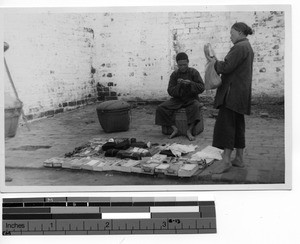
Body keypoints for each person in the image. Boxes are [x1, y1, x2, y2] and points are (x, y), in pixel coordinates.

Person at [208, 22, 254, 174]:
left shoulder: (239, 47)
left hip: (231, 94)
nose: (230, 36)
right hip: (240, 94)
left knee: (226, 126)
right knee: (237, 125)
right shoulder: (246, 47)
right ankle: (239, 158)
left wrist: (213, 61)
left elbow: (226, 67)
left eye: (232, 33)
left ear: (240, 33)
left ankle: (226, 160)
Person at [155, 52, 205, 141]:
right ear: (177, 64)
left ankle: (189, 131)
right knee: (160, 108)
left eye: (184, 65)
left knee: (196, 107)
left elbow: (201, 87)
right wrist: (178, 85)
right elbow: (170, 91)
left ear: (188, 62)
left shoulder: (194, 72)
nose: (182, 67)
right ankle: (175, 129)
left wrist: (191, 83)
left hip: (191, 99)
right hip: (178, 100)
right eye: (180, 65)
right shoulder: (174, 75)